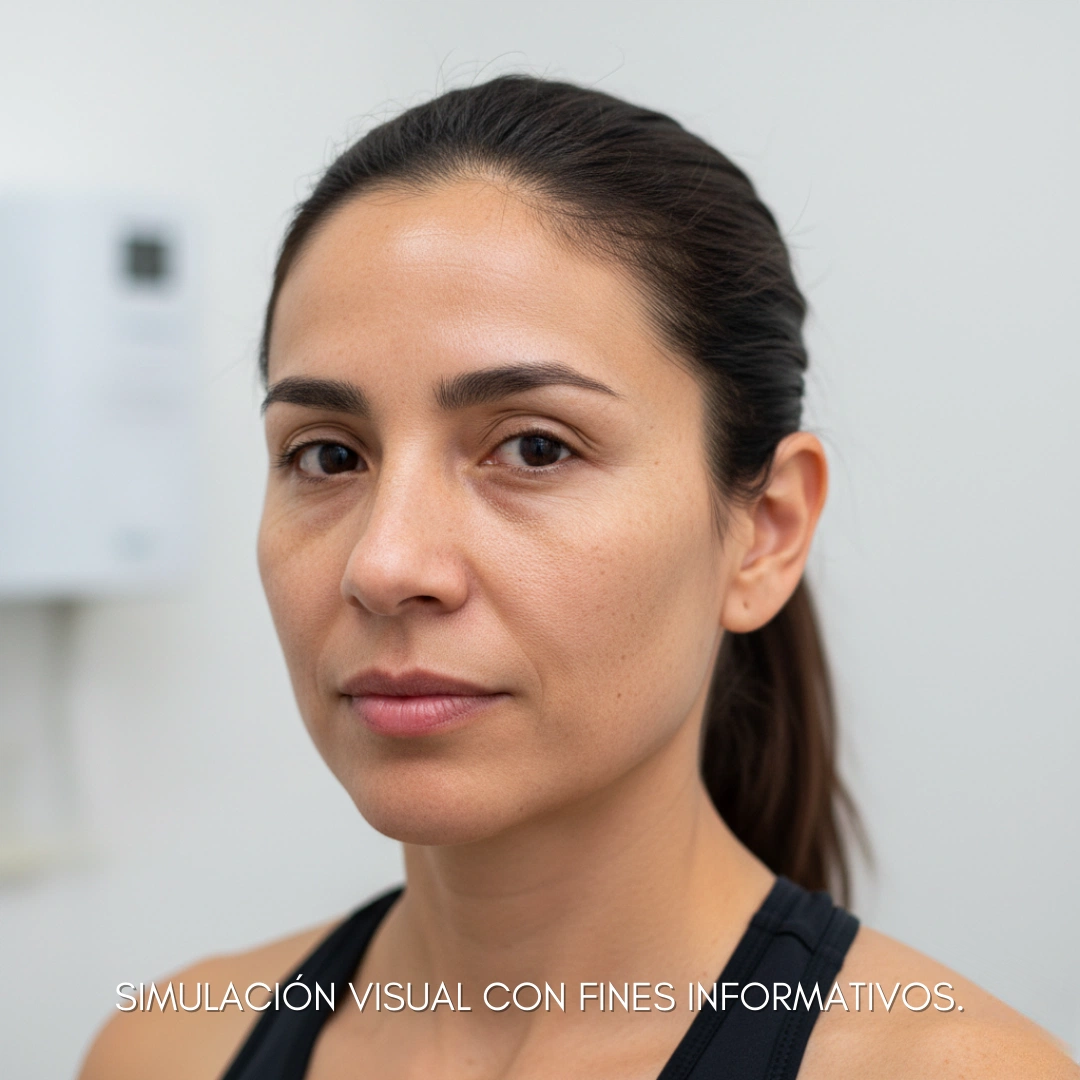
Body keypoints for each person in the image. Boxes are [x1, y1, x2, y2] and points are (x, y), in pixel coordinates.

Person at [79, 75, 1076, 1079]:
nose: (384, 565)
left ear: (765, 533)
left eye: (536, 448)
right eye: (327, 456)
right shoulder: (163, 1052)